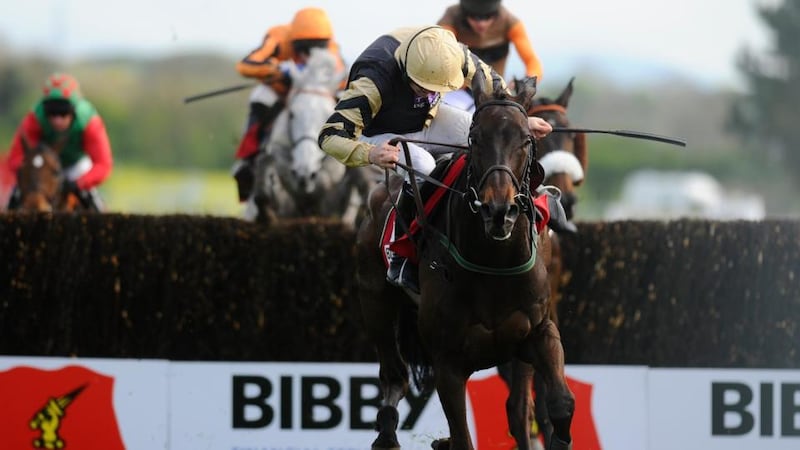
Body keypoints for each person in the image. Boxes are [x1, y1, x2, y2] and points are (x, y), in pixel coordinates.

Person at [318, 26, 559, 294]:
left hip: (426, 119)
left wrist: (519, 122)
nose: (429, 92)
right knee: (422, 166)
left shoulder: (453, 54)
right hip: (383, 133)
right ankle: (401, 252)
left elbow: (498, 94)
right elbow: (329, 136)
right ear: (407, 71)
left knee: (484, 135)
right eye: (422, 87)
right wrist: (370, 153)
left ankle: (532, 205)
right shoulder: (372, 83)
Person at [231, 7, 346, 202]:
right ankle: (250, 157)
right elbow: (245, 65)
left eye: (316, 48)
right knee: (260, 97)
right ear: (293, 42)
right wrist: (275, 70)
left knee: (346, 101)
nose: (308, 56)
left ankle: (360, 160)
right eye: (303, 49)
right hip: (281, 93)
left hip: (313, 95)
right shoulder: (277, 39)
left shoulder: (333, 51)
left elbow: (342, 80)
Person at [6, 72, 112, 211]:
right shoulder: (34, 118)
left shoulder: (90, 122)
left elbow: (103, 164)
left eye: (63, 113)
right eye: (52, 113)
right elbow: (16, 158)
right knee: (15, 196)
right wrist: (29, 176)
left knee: (93, 201)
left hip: (75, 167)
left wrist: (79, 183)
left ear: (74, 110)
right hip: (43, 170)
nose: (57, 120)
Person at [437, 0, 543, 112]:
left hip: (495, 92)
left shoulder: (510, 22)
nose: (482, 24)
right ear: (464, 13)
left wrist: (525, 81)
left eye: (488, 16)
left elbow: (532, 62)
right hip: (458, 90)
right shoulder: (450, 18)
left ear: (496, 12)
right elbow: (441, 54)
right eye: (474, 17)